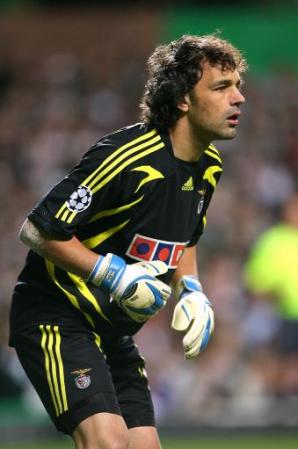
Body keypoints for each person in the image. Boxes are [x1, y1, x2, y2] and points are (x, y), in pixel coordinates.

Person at [9, 34, 246, 449]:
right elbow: (38, 230)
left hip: (113, 333)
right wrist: (112, 275)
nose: (239, 97)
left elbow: (186, 238)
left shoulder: (209, 167)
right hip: (57, 315)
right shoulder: (126, 157)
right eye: (222, 87)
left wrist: (191, 291)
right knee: (109, 444)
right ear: (183, 100)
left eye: (238, 85)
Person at [244, 192, 298, 396]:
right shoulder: (273, 240)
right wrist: (273, 293)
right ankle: (279, 406)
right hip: (281, 314)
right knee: (281, 364)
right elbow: (255, 282)